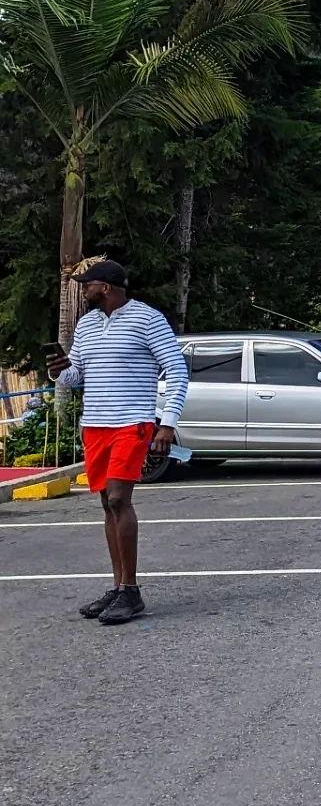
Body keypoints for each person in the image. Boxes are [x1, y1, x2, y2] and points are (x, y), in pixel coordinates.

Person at [44, 260, 188, 625]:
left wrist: (166, 424)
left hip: (132, 423)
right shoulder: (87, 324)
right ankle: (118, 586)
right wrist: (59, 370)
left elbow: (177, 370)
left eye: (86, 284)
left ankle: (132, 591)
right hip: (95, 425)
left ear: (105, 287)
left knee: (121, 498)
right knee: (108, 503)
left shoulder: (148, 319)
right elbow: (77, 375)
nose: (83, 289)